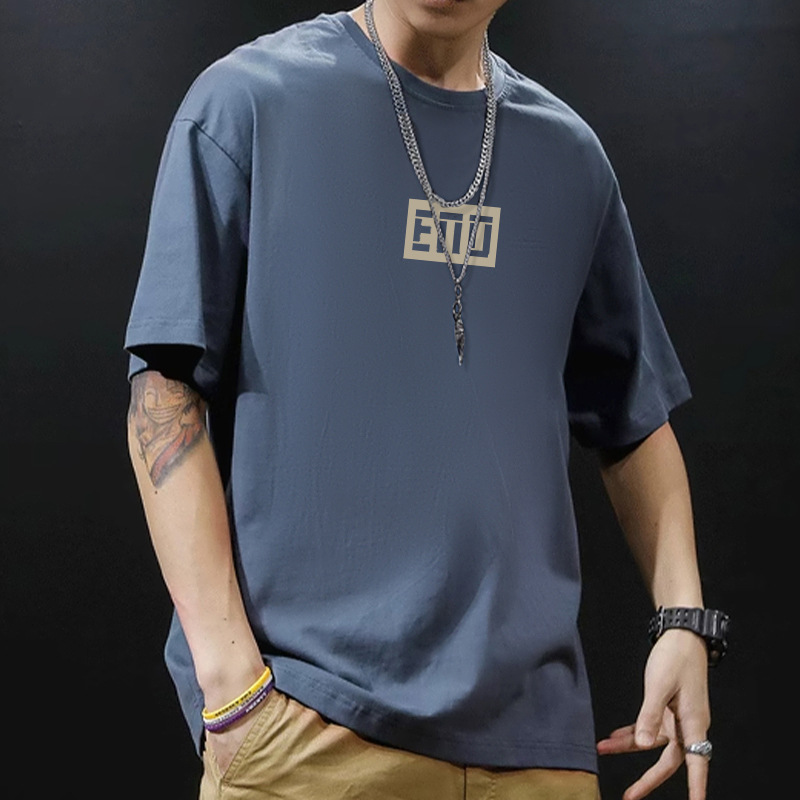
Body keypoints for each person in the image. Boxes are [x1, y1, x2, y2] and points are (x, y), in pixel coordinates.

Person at [125, 2, 727, 799]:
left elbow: (635, 420)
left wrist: (684, 620)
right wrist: (230, 685)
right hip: (311, 734)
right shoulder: (249, 102)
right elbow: (163, 387)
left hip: (536, 752)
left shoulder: (568, 156)